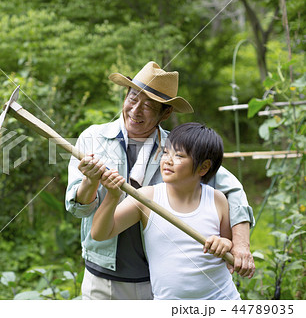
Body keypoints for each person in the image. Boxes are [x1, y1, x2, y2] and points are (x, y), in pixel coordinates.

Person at [65, 61, 255, 300]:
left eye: (148, 106)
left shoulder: (177, 149)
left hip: (153, 281)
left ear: (165, 113)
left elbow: (233, 189)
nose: (135, 111)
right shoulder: (93, 138)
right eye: (133, 99)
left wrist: (239, 244)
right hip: (103, 277)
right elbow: (77, 208)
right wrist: (90, 183)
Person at [91, 122, 241, 300]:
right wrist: (113, 196)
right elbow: (99, 233)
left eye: (178, 155)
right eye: (165, 152)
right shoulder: (147, 198)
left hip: (222, 299)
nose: (167, 160)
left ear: (203, 167)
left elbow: (229, 247)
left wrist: (224, 243)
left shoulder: (217, 199)